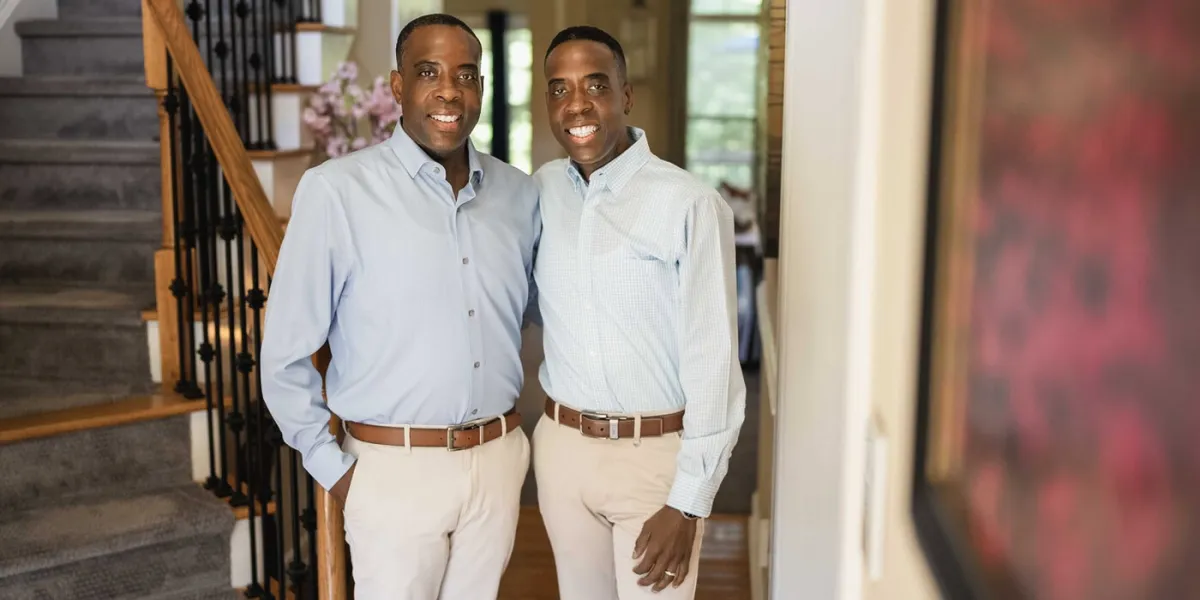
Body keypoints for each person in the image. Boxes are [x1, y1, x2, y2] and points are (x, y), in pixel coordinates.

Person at [259, 13, 540, 600]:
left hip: (496, 462)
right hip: (390, 472)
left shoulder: (520, 195)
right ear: (397, 86)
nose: (448, 91)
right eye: (428, 72)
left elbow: (548, 313)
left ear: (482, 88)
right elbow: (284, 356)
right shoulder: (336, 191)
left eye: (466, 74)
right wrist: (335, 472)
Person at [530, 25, 747, 599]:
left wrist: (689, 502)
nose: (576, 104)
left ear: (625, 95)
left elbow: (714, 363)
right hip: (561, 452)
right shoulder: (542, 190)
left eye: (595, 84)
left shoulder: (691, 205)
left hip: (654, 463)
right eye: (559, 88)